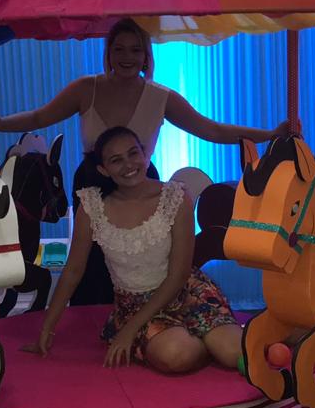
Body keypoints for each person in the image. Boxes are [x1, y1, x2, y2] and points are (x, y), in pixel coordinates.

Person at [0, 18, 296, 305]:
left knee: (142, 256)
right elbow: (39, 117)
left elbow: (211, 129)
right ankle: (88, 321)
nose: (126, 57)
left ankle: (144, 314)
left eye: (135, 50)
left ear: (146, 56)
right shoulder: (86, 88)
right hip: (93, 181)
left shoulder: (161, 96)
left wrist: (270, 134)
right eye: (119, 49)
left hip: (141, 183)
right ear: (108, 53)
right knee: (90, 260)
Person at [25, 126, 242, 372]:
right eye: (116, 160)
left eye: (133, 153)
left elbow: (179, 275)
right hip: (136, 306)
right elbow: (73, 270)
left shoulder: (175, 197)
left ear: (145, 154)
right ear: (103, 169)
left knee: (233, 353)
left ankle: (209, 338)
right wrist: (47, 328)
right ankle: (198, 339)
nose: (128, 164)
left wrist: (129, 332)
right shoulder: (92, 206)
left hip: (186, 291)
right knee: (177, 356)